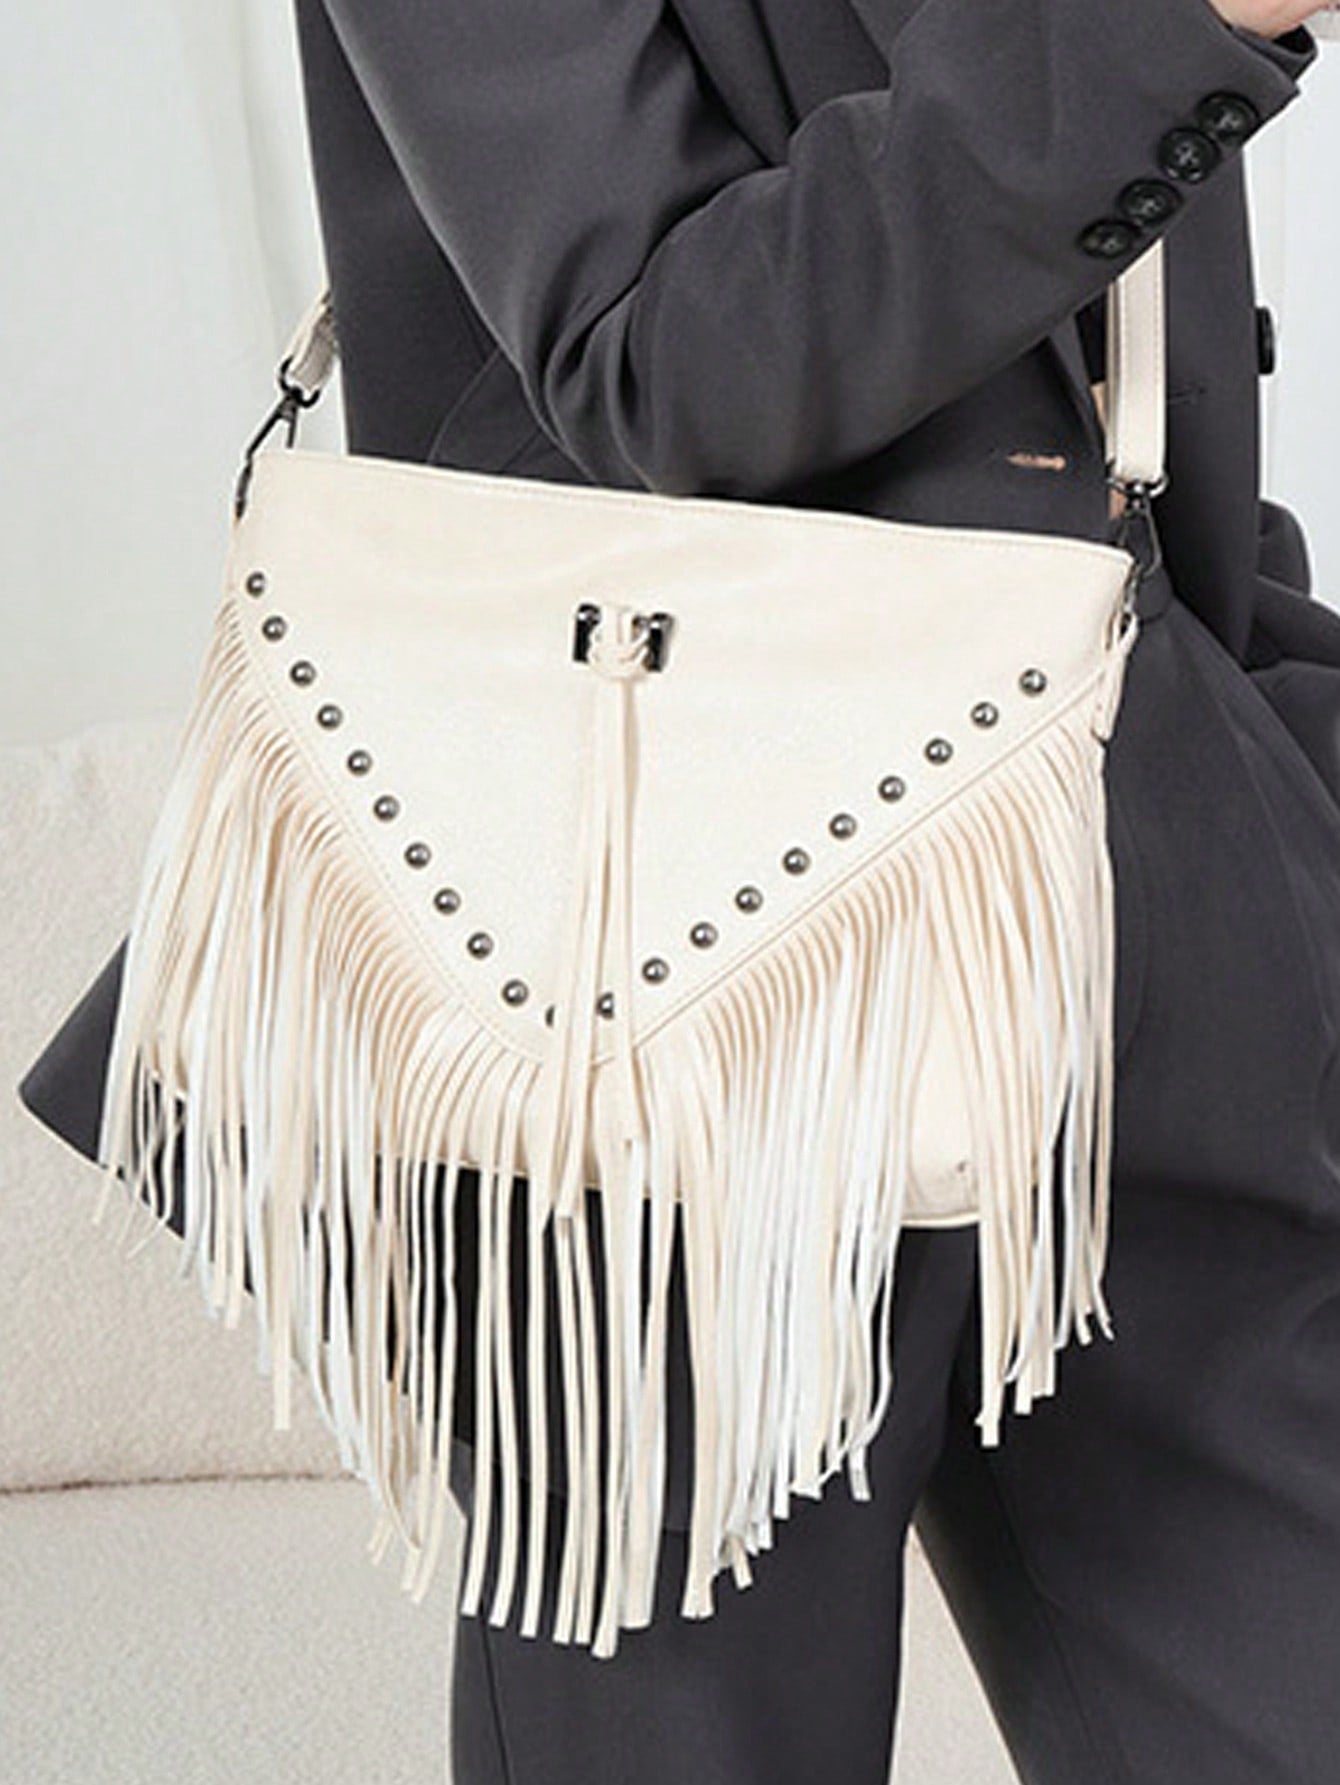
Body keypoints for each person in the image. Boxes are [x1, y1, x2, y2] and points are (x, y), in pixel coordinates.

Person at [18, 0, 1340, 1779]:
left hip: (1146, 901)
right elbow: (658, 358)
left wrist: (1252, 720)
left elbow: (1122, 353)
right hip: (660, 983)